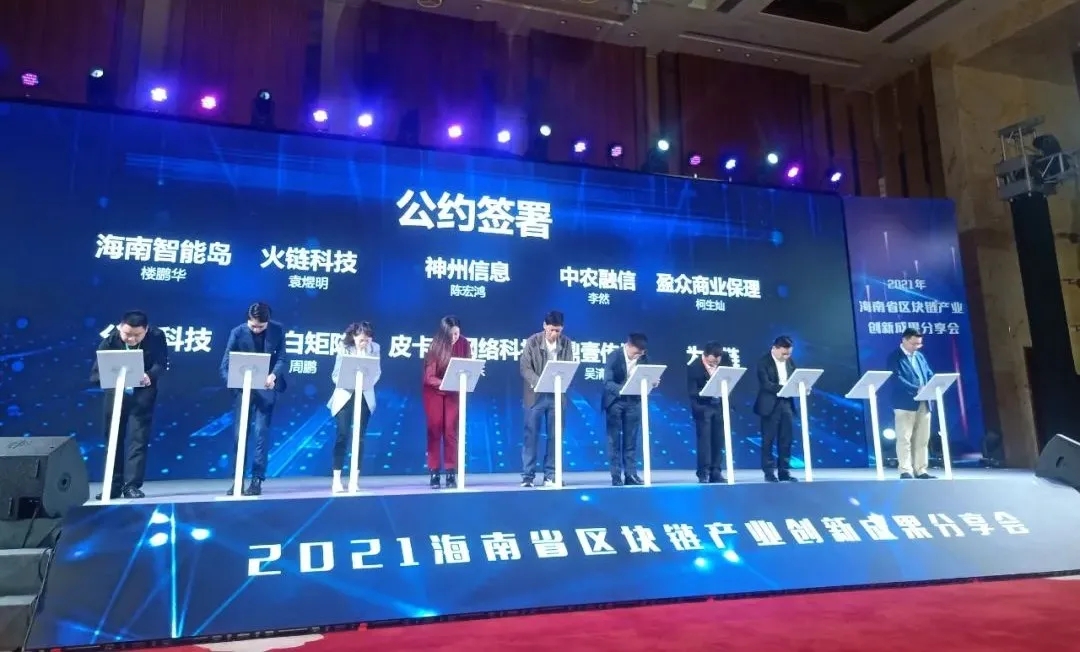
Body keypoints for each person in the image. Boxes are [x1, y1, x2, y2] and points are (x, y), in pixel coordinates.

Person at [89, 310, 169, 500]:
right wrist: (112, 378)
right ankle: (112, 486)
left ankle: (132, 485)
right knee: (113, 440)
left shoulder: (157, 336)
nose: (131, 339)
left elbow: (161, 363)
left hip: (143, 395)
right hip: (116, 395)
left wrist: (149, 375)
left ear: (146, 330)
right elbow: (95, 375)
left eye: (137, 335)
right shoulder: (110, 341)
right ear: (120, 327)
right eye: (127, 334)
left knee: (138, 439)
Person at [219, 302, 287, 496]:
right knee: (240, 435)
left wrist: (273, 376)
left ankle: (257, 479)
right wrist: (234, 381)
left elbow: (282, 358)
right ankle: (237, 480)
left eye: (261, 326)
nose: (256, 330)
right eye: (253, 326)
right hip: (243, 389)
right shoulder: (237, 332)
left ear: (268, 321)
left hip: (266, 388)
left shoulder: (277, 330)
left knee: (261, 433)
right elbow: (224, 365)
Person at [518, 310, 574, 487]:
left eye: (558, 330)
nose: (554, 334)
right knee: (531, 436)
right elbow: (525, 368)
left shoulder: (566, 343)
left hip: (557, 395)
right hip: (535, 395)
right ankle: (528, 476)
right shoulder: (532, 341)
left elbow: (568, 366)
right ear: (544, 326)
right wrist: (540, 382)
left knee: (555, 436)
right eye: (551, 330)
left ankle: (551, 475)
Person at [327, 321, 380, 493]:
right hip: (345, 395)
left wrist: (365, 382)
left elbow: (377, 372)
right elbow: (335, 375)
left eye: (367, 339)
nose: (364, 343)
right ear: (354, 337)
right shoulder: (344, 347)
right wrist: (348, 381)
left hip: (364, 395)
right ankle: (336, 479)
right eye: (361, 339)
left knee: (360, 437)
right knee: (343, 435)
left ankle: (354, 479)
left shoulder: (375, 348)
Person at [422, 315, 472, 489]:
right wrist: (446, 382)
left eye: (457, 333)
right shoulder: (435, 345)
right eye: (451, 334)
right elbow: (429, 377)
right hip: (434, 392)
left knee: (451, 430)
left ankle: (451, 471)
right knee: (435, 430)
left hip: (453, 391)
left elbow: (468, 366)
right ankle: (434, 472)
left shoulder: (464, 344)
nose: (454, 337)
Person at [601, 332, 650, 486]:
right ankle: (616, 476)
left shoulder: (643, 357)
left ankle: (631, 474)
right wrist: (623, 389)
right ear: (628, 346)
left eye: (641, 353)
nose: (638, 356)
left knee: (631, 441)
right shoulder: (614, 356)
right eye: (636, 353)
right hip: (615, 401)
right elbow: (607, 382)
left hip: (633, 402)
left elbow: (646, 377)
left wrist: (652, 382)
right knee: (614, 441)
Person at [887, 328, 935, 479]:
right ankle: (905, 470)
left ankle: (921, 469)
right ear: (904, 340)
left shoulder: (919, 356)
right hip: (904, 403)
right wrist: (916, 389)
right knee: (905, 438)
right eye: (914, 344)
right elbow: (896, 379)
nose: (916, 347)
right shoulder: (895, 357)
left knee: (922, 439)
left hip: (924, 402)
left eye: (919, 344)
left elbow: (928, 373)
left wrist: (932, 384)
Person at [687, 341, 733, 483]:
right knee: (705, 442)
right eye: (714, 358)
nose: (716, 361)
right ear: (705, 355)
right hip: (703, 407)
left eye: (719, 358)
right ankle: (703, 472)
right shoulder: (694, 367)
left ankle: (716, 472)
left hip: (719, 406)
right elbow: (692, 392)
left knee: (718, 441)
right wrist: (708, 391)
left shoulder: (724, 362)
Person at [754, 335, 798, 482]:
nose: (786, 357)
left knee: (786, 439)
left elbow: (795, 378)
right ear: (775, 348)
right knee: (768, 440)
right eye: (784, 353)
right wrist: (784, 388)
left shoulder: (790, 361)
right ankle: (769, 472)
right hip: (770, 405)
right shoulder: (763, 362)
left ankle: (784, 471)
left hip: (786, 403)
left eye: (789, 354)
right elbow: (766, 384)